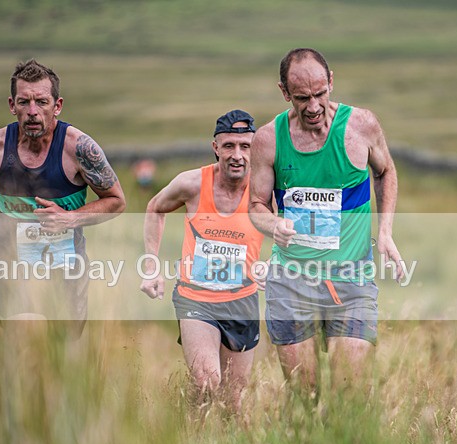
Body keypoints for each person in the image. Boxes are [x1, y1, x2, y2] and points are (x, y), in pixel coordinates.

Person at [249, 48, 404, 398]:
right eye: (302, 98)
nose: (314, 106)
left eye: (320, 93)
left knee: (348, 394)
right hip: (291, 282)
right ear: (285, 93)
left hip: (350, 280)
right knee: (307, 395)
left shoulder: (361, 126)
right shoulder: (268, 140)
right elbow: (256, 205)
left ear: (331, 82)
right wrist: (273, 225)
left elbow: (386, 171)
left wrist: (384, 231)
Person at [0, 59, 125, 336]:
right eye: (24, 102)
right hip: (12, 267)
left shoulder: (79, 148)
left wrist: (70, 218)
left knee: (64, 353)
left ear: (57, 105)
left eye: (42, 102)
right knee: (23, 344)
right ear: (12, 105)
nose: (33, 112)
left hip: (66, 268)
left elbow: (117, 201)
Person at [141, 110, 265, 415]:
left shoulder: (264, 191)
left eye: (245, 146)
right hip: (196, 299)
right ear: (215, 147)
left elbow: (291, 229)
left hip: (243, 301)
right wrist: (150, 265)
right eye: (229, 146)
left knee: (233, 402)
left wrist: (277, 266)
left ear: (256, 150)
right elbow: (155, 208)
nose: (237, 155)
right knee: (207, 381)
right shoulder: (192, 183)